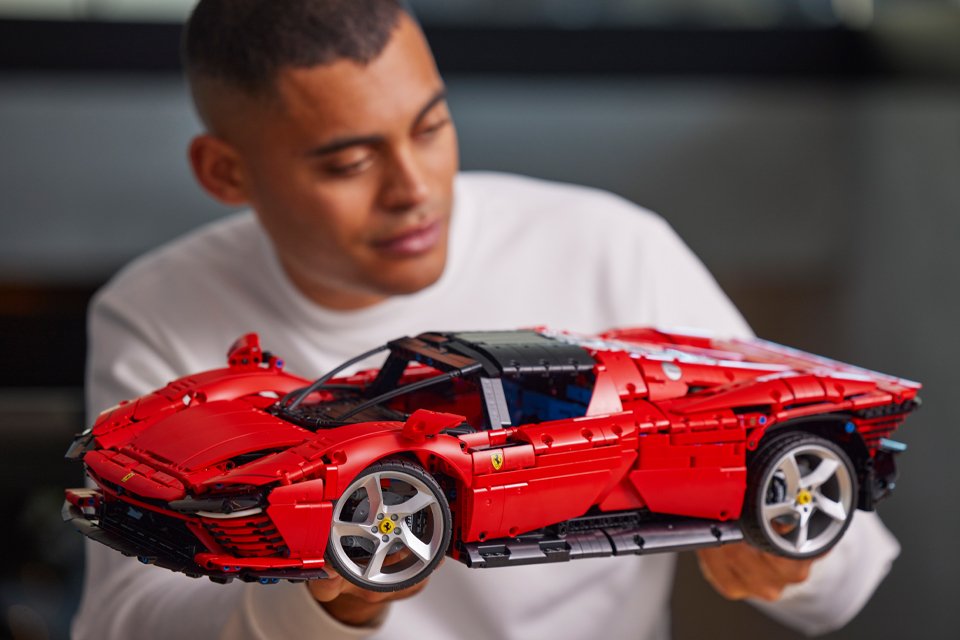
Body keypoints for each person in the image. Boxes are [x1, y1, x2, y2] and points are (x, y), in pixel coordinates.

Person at [72, 1, 900, 638]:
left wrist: (787, 544)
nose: (415, 189)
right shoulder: (155, 307)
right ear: (226, 171)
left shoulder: (615, 247)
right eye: (350, 161)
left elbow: (851, 579)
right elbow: (122, 619)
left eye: (431, 127)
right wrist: (332, 612)